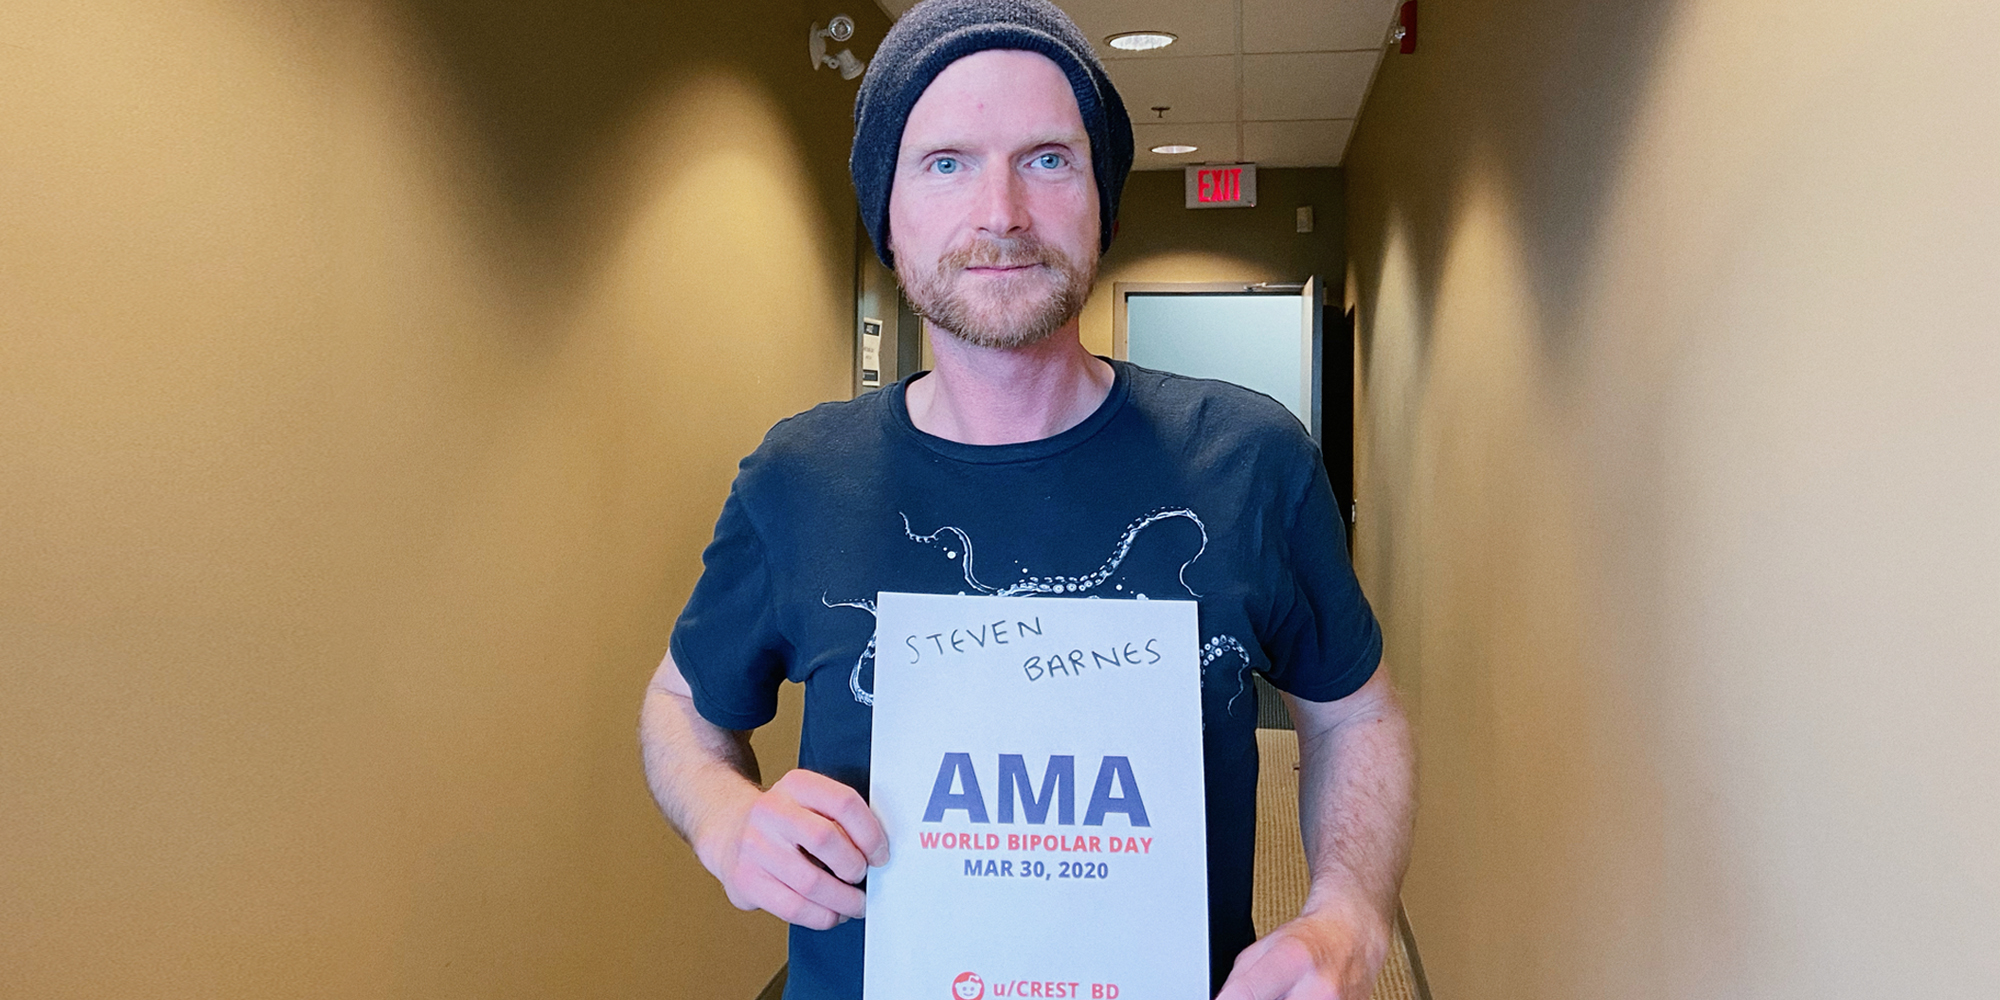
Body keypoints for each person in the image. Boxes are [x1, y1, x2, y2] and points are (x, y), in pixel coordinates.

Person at [638, 0, 1415, 996]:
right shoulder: (799, 476)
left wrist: (1349, 912)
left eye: (1047, 159)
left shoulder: (1250, 458)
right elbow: (677, 706)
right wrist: (723, 817)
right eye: (946, 162)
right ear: (889, 213)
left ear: (1103, 202)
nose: (999, 212)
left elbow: (1356, 716)